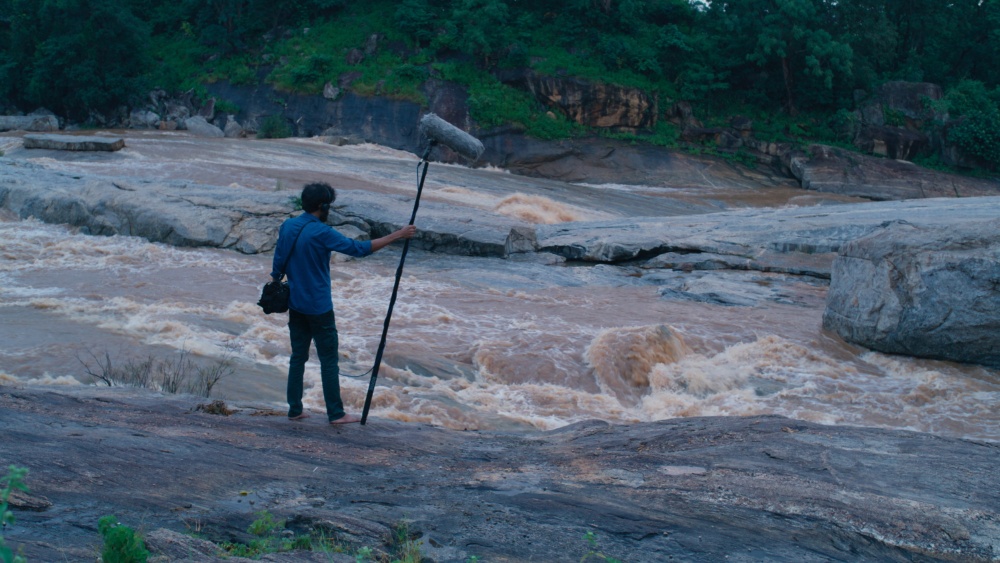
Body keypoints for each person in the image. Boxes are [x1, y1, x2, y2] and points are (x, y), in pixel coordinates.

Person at [270, 182, 416, 424]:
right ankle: (336, 413)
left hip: (295, 303)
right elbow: (359, 249)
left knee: (298, 357)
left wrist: (276, 279)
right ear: (323, 206)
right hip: (319, 307)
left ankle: (295, 409)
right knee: (328, 360)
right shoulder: (322, 232)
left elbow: (277, 264)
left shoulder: (288, 225)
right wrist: (398, 235)